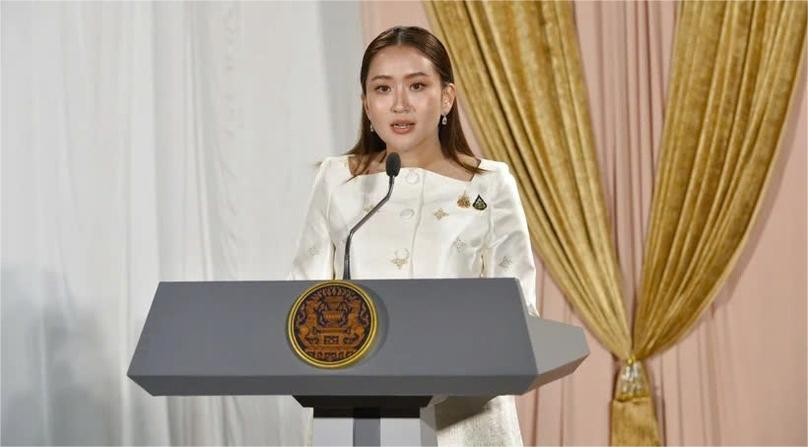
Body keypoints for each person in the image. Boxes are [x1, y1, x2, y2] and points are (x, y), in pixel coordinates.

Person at [288, 25, 539, 446]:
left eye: (417, 86)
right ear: (366, 104)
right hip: (353, 415)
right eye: (383, 89)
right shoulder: (337, 180)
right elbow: (302, 300)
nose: (399, 104)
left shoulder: (489, 185)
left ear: (446, 97)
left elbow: (519, 312)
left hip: (462, 418)